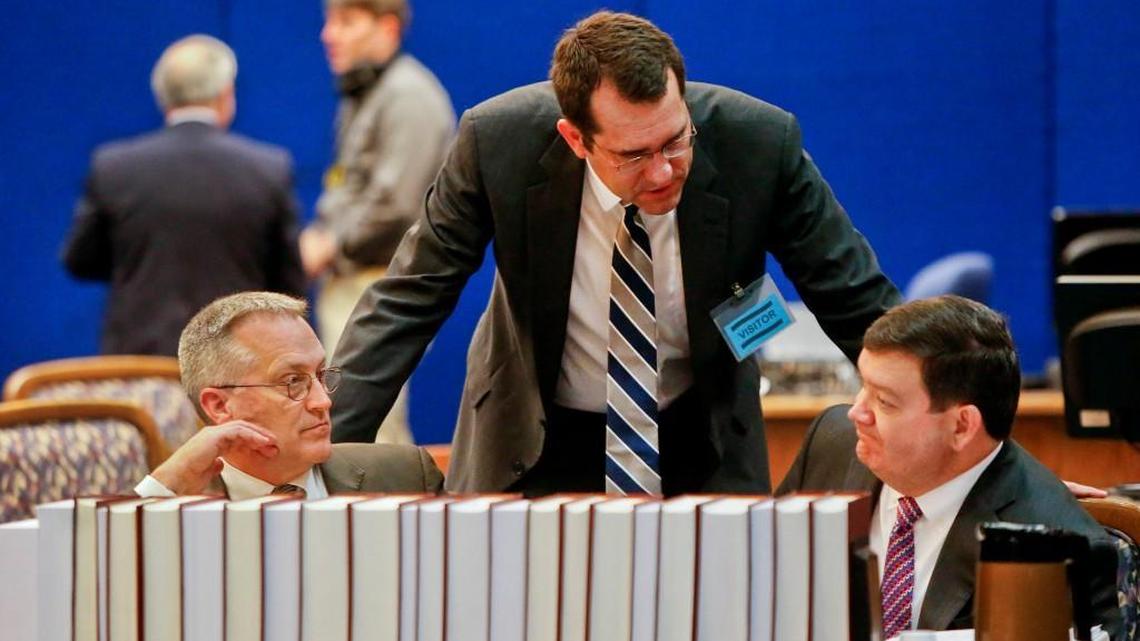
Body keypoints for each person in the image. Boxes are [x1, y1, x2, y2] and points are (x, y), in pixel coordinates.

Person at [331, 11, 900, 495]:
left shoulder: (759, 142)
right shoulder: (497, 143)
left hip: (700, 436)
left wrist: (938, 398)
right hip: (534, 436)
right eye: (633, 154)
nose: (663, 171)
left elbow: (851, 293)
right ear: (576, 138)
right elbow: (409, 298)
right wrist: (318, 450)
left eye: (676, 140)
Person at [777, 295, 1120, 637]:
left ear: (961, 426)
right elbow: (770, 582)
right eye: (862, 386)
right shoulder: (831, 443)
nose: (857, 412)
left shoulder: (1058, 548)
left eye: (884, 401)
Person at [62, 35, 306, 357]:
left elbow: (80, 260)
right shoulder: (269, 169)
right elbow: (288, 281)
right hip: (234, 364)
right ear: (225, 95)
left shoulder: (113, 167)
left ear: (163, 98)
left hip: (138, 366)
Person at [300, 0, 456, 444]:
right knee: (355, 427)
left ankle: (383, 516)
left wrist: (330, 244)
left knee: (367, 431)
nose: (328, 35)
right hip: (357, 281)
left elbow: (397, 204)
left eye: (346, 22)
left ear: (387, 28)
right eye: (329, 22)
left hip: (380, 285)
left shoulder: (407, 94)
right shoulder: (368, 93)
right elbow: (352, 187)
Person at [134, 291, 443, 499]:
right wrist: (161, 491)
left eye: (321, 376)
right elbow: (98, 583)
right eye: (293, 381)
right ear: (220, 405)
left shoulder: (406, 477)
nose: (324, 401)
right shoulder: (173, 506)